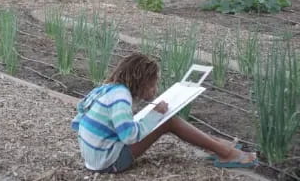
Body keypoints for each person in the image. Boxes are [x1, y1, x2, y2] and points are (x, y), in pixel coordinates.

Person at [71, 53, 257, 173]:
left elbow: (79, 116)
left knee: (160, 119)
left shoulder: (109, 89)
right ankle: (225, 153)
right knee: (168, 122)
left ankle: (214, 145)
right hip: (110, 161)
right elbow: (128, 137)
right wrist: (154, 116)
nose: (155, 89)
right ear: (142, 82)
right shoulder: (121, 98)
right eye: (153, 85)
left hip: (96, 157)